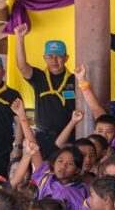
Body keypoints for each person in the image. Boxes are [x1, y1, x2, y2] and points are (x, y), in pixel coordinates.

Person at [14, 24, 75, 157]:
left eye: (59, 56)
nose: (54, 60)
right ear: (44, 58)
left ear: (66, 58)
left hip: (68, 136)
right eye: (50, 56)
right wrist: (20, 39)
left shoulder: (74, 79)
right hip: (43, 137)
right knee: (42, 169)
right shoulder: (39, 77)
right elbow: (22, 67)